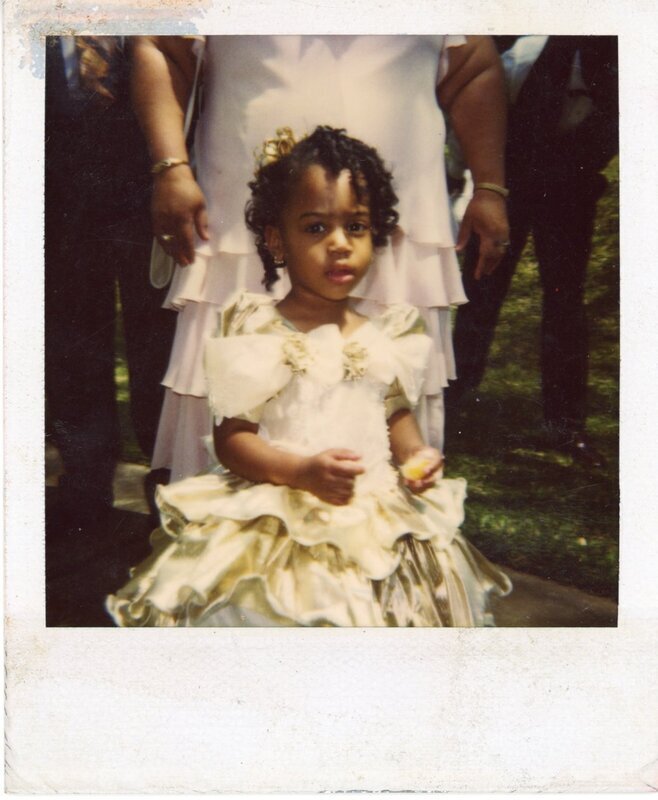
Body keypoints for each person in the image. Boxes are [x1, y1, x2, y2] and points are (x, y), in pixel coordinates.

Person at [106, 127, 511, 627]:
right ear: (277, 238)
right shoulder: (257, 325)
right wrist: (300, 472)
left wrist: (416, 454)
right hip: (282, 509)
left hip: (376, 513)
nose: (340, 245)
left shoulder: (391, 329)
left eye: (356, 228)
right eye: (316, 228)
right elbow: (232, 441)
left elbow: (395, 412)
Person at [130, 34, 509, 482]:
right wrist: (170, 167)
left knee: (389, 392)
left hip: (399, 232)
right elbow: (158, 44)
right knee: (234, 390)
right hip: (242, 225)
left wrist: (489, 184)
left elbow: (475, 70)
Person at [448, 36, 618, 467]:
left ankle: (566, 426)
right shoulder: (520, 54)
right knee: (481, 291)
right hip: (510, 185)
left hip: (571, 190)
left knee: (566, 301)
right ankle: (450, 404)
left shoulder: (620, 61)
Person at [45, 35, 176, 520]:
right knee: (70, 336)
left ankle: (169, 486)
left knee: (161, 338)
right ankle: (84, 487)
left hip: (148, 175)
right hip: (54, 179)